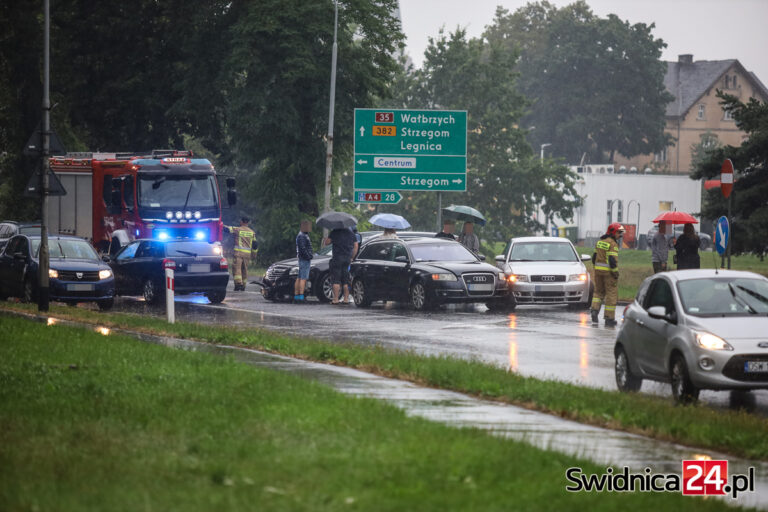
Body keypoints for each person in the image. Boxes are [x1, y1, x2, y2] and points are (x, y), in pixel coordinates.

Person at [591, 222, 624, 327]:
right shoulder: (613, 244)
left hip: (598, 272)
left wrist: (597, 269)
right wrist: (615, 273)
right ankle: (609, 319)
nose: (620, 235)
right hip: (609, 273)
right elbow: (612, 261)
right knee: (611, 294)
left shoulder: (599, 242)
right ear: (613, 232)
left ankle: (594, 311)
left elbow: (594, 258)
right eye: (619, 233)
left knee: (598, 292)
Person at [325, 227, 358, 305]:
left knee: (336, 279)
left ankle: (335, 299)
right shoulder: (351, 233)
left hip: (337, 258)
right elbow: (356, 246)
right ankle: (346, 299)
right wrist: (352, 257)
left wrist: (327, 238)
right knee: (346, 279)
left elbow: (327, 243)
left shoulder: (335, 231)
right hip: (347, 258)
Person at [223, 217, 255, 291]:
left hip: (239, 253)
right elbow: (255, 245)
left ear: (241, 222)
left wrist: (220, 224)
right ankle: (243, 285)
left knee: (236, 268)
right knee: (244, 270)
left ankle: (238, 284)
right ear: (248, 223)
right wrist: (254, 254)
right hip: (247, 255)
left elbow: (227, 229)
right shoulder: (252, 232)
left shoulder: (238, 229)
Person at [293, 220, 313, 304]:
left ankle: (297, 296)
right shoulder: (302, 236)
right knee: (303, 278)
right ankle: (301, 296)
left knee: (299, 277)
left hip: (302, 258)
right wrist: (309, 256)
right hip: (304, 259)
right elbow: (303, 248)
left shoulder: (302, 235)